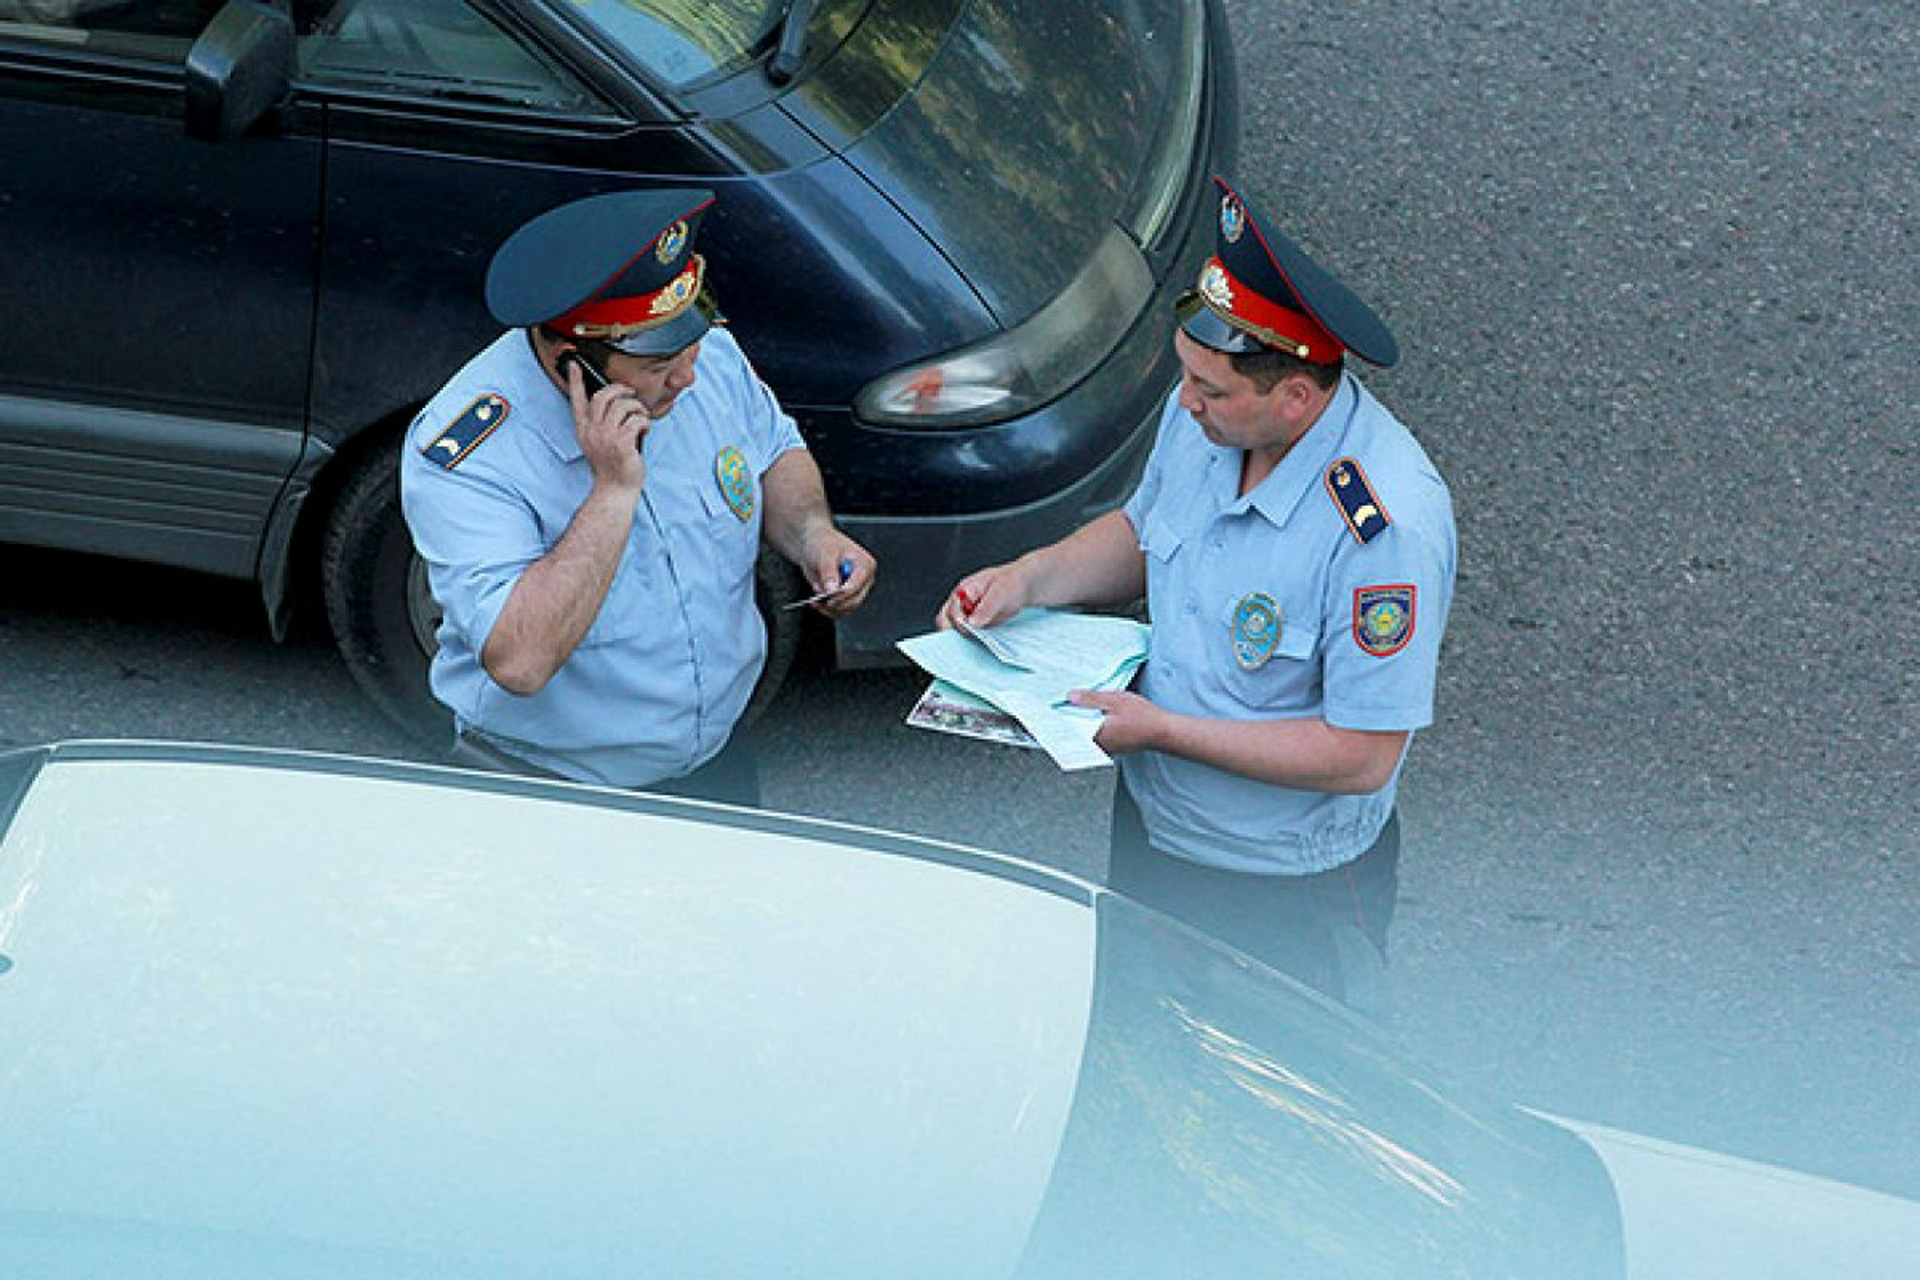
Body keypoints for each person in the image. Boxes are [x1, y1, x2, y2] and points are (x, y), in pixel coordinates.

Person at [940, 177, 1455, 1006]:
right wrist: (1030, 579)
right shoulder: (1211, 418)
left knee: (1289, 1098)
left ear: (1293, 396)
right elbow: (1147, 533)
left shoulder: (1382, 528)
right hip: (1158, 832)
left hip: (1284, 886)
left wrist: (1162, 732)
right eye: (1188, 377)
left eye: (1209, 390)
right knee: (1141, 1046)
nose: (1184, 403)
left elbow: (1360, 756)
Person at [401, 188, 873, 805]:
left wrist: (815, 535)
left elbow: (771, 449)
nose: (687, 376)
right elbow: (519, 660)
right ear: (574, 364)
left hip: (713, 756)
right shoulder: (470, 452)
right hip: (553, 788)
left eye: (689, 347)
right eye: (658, 366)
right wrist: (613, 490)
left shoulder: (700, 359)